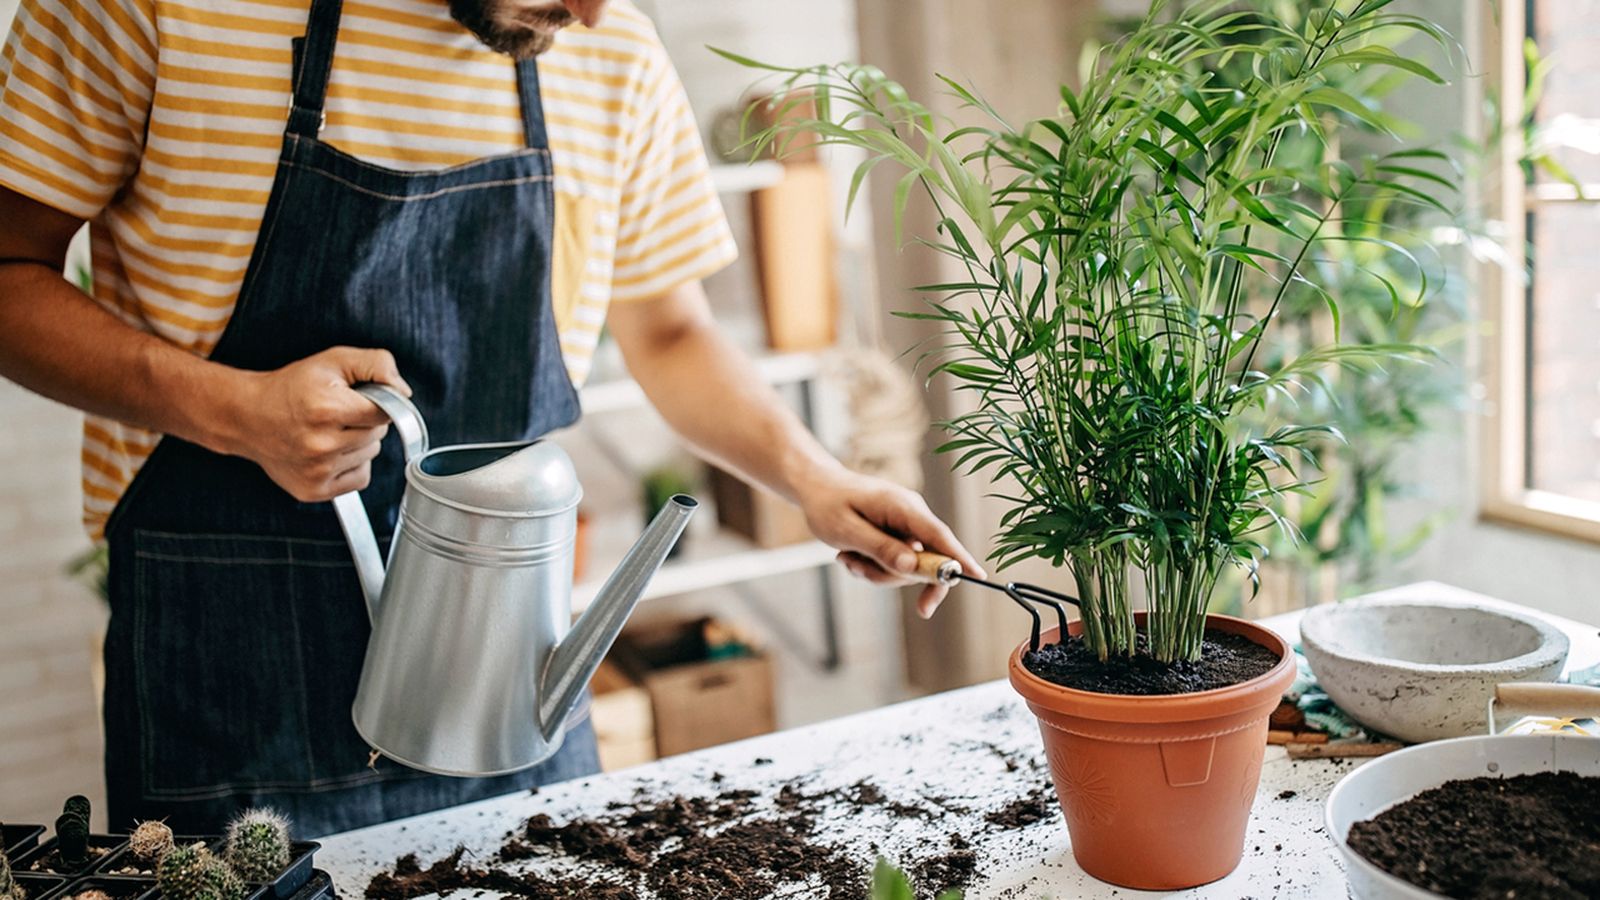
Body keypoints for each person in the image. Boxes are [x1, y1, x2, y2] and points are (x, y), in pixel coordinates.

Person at [0, 0, 984, 836]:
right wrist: (231, 411)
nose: (594, 11)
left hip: (510, 679)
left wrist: (818, 480)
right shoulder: (151, 10)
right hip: (233, 675)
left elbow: (670, 333)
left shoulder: (612, 51)